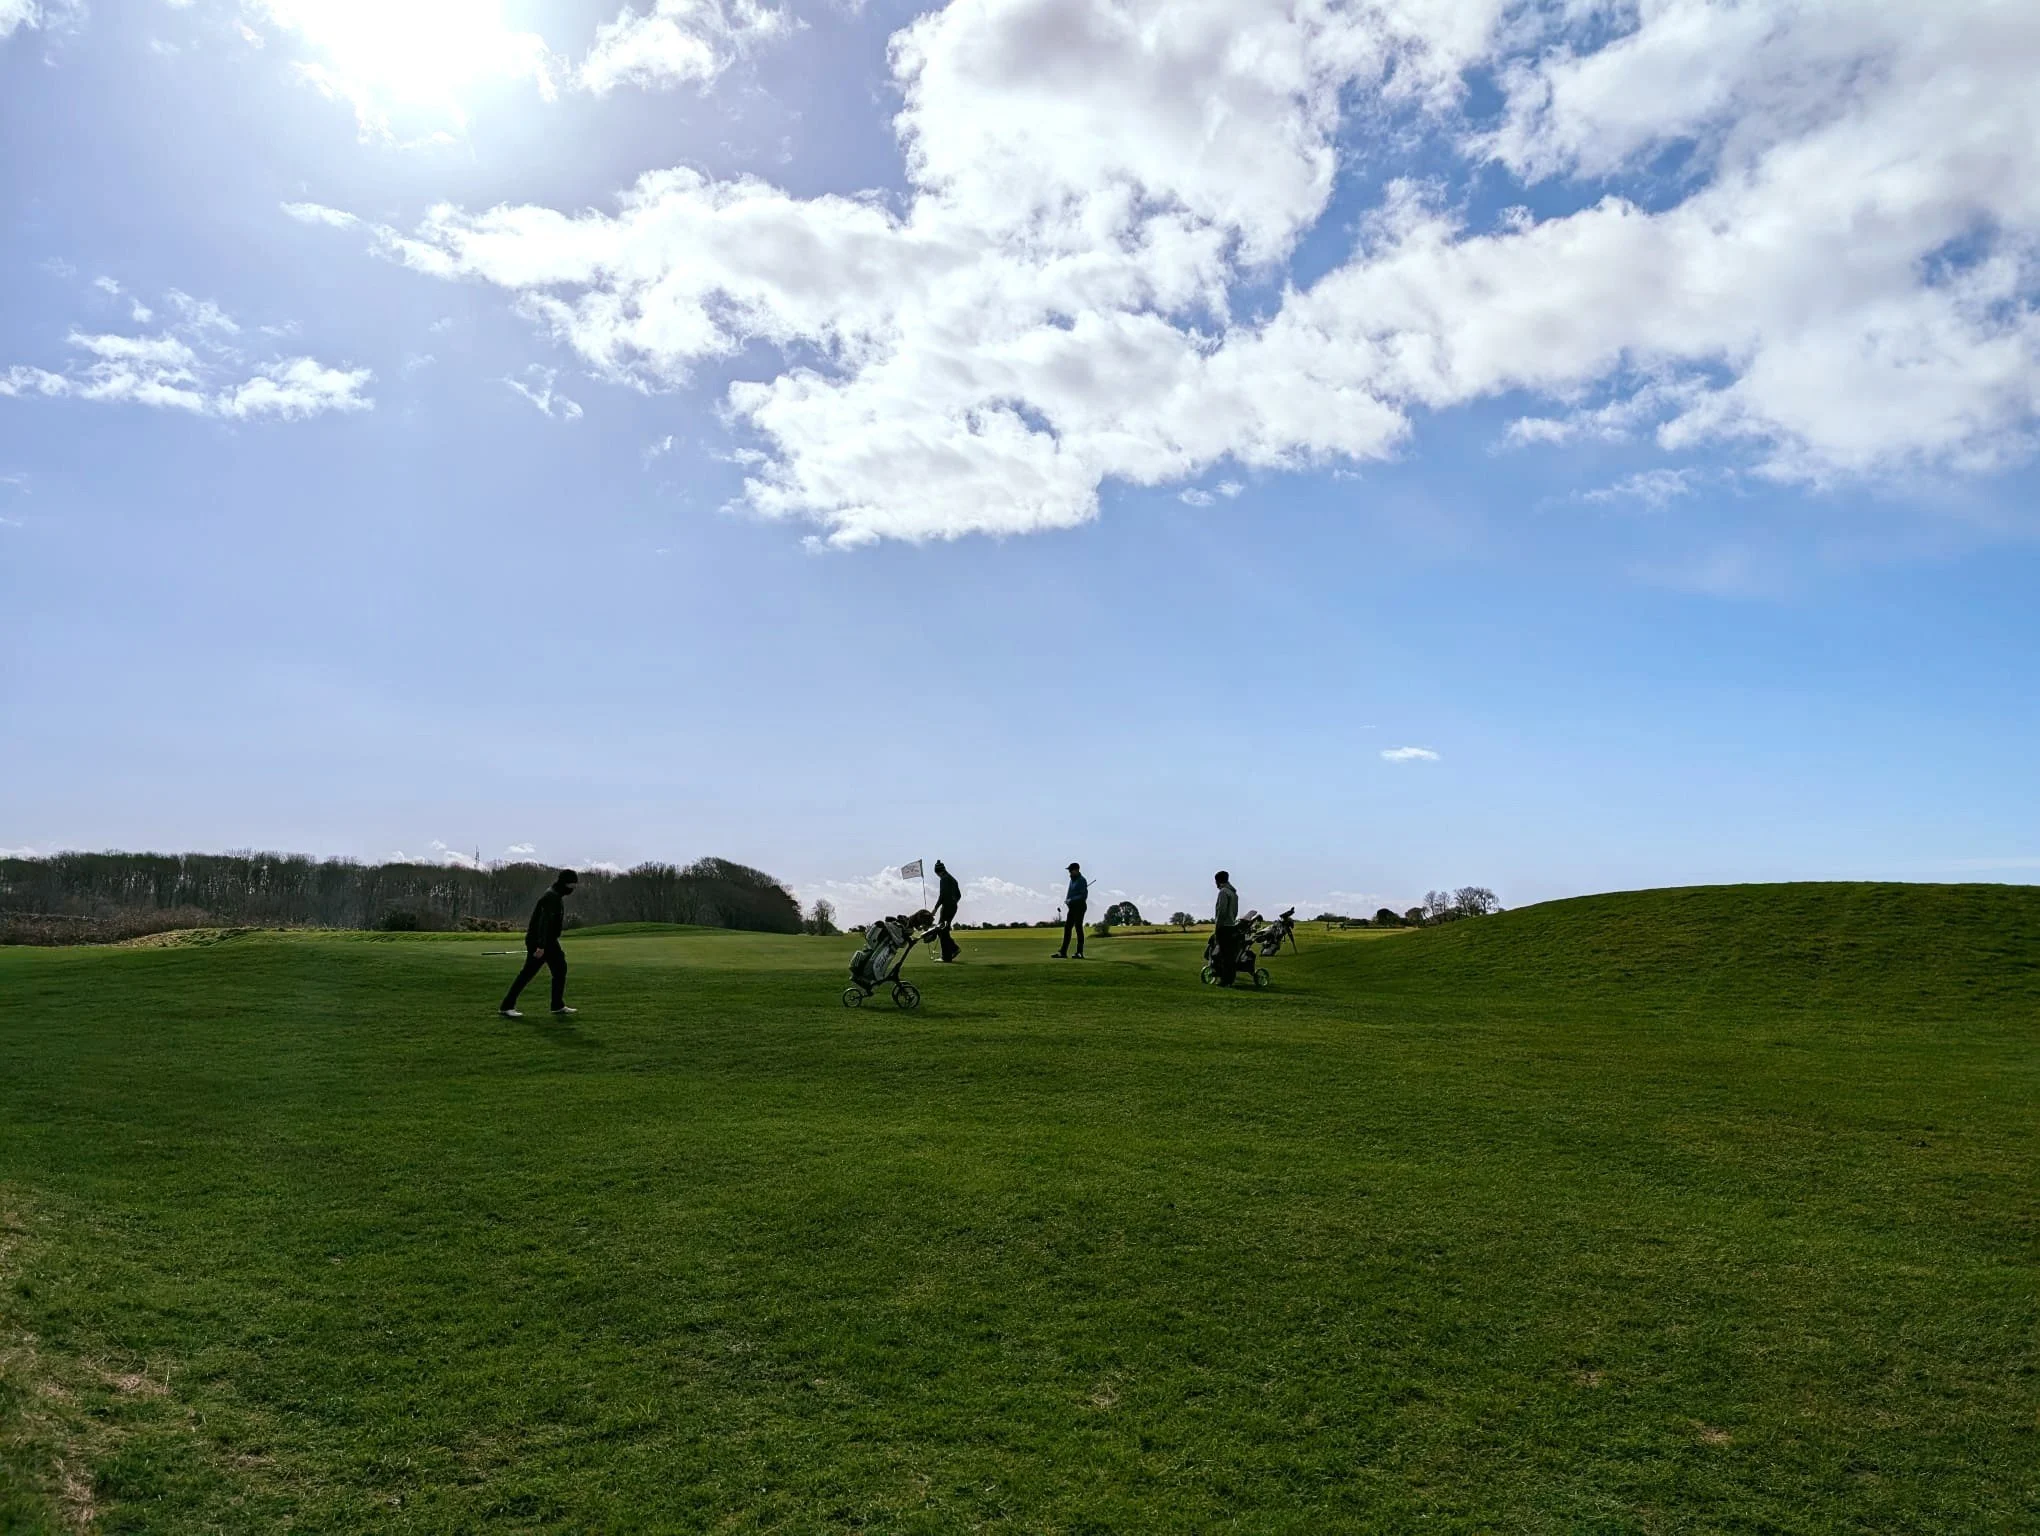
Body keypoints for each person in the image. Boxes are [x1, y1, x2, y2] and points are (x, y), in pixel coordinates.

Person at [501, 870, 578, 1017]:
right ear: (565, 883)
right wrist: (541, 946)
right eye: (572, 885)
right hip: (540, 941)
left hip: (550, 941)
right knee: (527, 973)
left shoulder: (556, 895)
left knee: (560, 969)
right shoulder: (551, 897)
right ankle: (506, 1006)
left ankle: (557, 1005)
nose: (573, 889)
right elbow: (544, 922)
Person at [1211, 869, 1242, 986]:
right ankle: (1230, 979)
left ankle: (1225, 980)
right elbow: (1235, 912)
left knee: (1223, 955)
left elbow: (1221, 912)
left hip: (1224, 927)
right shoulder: (1233, 894)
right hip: (1232, 926)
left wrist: (1217, 927)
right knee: (1230, 955)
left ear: (1218, 881)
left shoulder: (1223, 892)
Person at [1054, 861, 1089, 958]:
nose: (1069, 872)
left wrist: (1072, 900)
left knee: (1078, 927)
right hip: (1073, 907)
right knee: (1067, 928)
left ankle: (1079, 952)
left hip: (1080, 906)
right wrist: (1068, 901)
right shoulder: (1072, 880)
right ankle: (1063, 952)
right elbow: (1070, 893)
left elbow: (1083, 896)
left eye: (1071, 870)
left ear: (1077, 870)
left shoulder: (1082, 880)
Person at [932, 860, 963, 962]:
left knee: (941, 930)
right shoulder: (953, 879)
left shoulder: (944, 879)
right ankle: (951, 952)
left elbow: (942, 895)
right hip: (953, 907)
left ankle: (948, 954)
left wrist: (935, 908)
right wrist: (954, 902)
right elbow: (959, 895)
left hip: (947, 907)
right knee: (944, 930)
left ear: (938, 872)